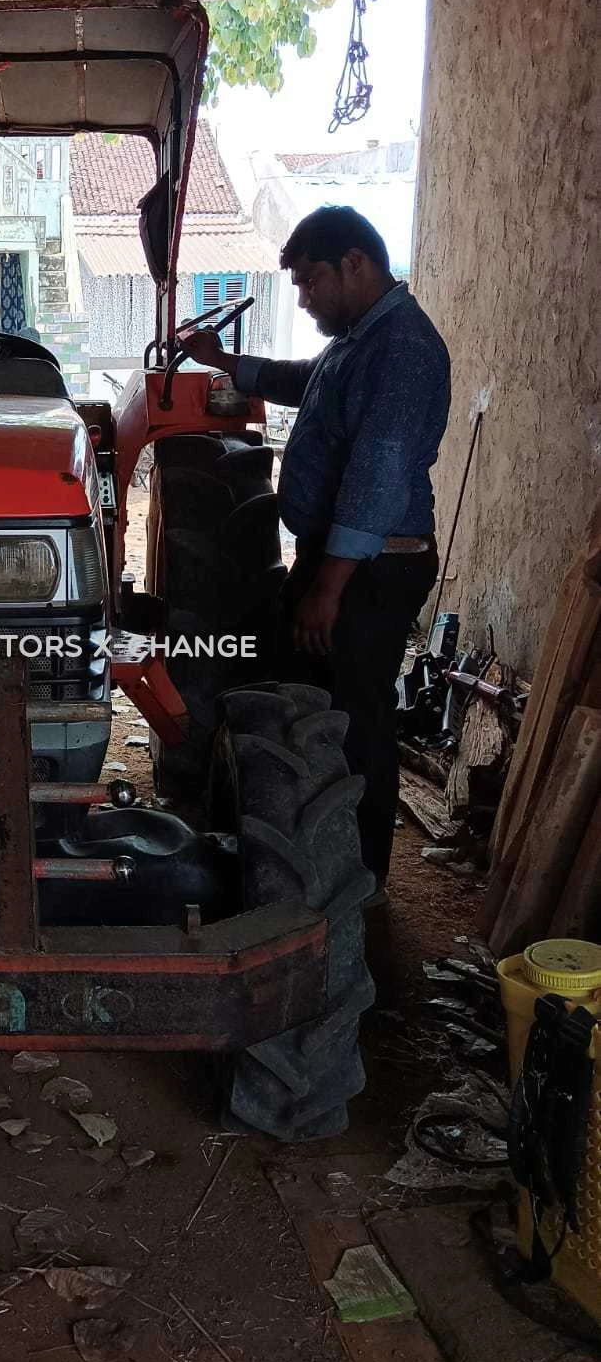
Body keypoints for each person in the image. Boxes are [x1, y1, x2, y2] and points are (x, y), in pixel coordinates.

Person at [183, 205, 450, 898]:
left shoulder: (403, 351)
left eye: (308, 282)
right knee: (306, 700)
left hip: (370, 568)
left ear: (354, 264)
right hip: (338, 560)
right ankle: (303, 850)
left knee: (357, 716)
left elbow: (376, 476)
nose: (302, 299)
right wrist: (228, 364)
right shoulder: (360, 339)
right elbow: (308, 382)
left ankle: (360, 882)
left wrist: (326, 590)